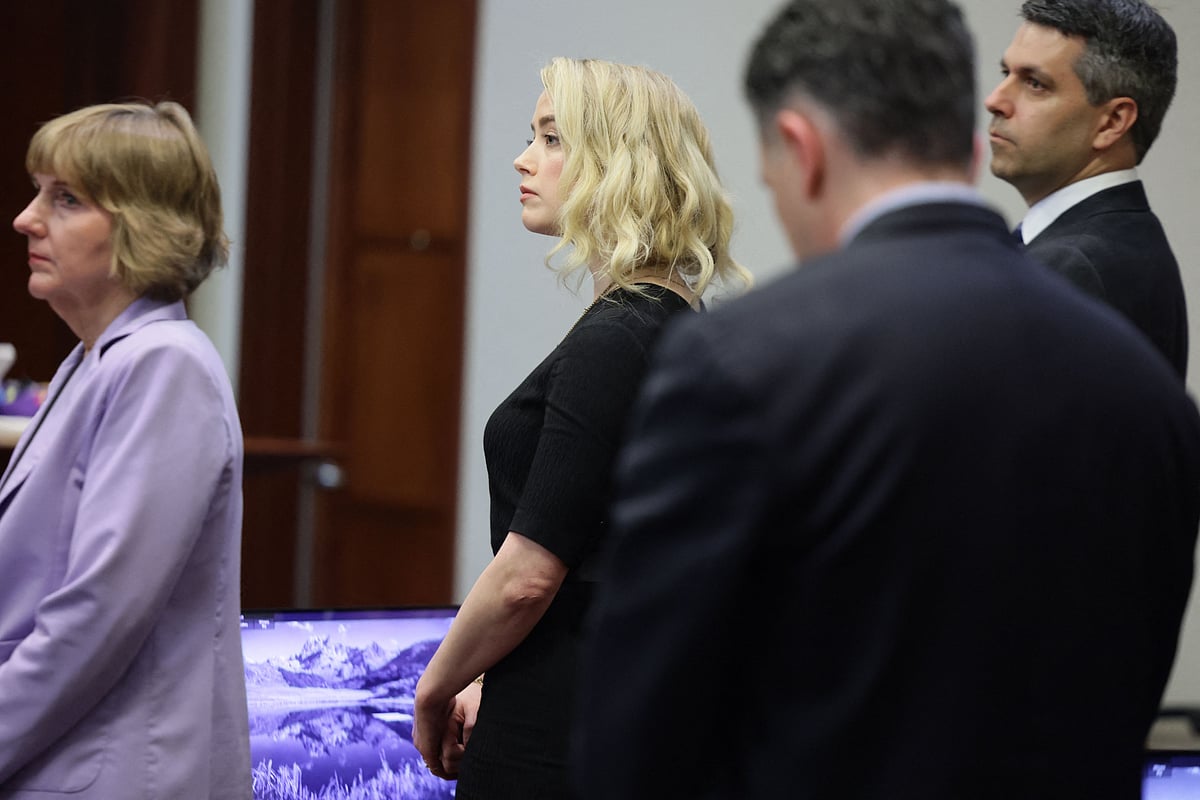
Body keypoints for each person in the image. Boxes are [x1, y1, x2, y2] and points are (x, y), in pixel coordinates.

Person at [574, 1, 1200, 798]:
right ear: (968, 146)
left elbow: (638, 727)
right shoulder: (1148, 389)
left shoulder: (740, 357)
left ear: (800, 153)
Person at [413, 57, 749, 798]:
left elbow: (530, 577)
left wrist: (437, 684)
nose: (522, 159)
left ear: (618, 162)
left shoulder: (619, 335)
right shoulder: (672, 319)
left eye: (551, 138)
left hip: (559, 731)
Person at [0, 102, 250, 798]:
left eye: (66, 199)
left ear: (143, 224)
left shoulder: (162, 364)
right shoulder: (97, 360)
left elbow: (98, 614)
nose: (27, 218)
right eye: (38, 191)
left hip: (116, 770)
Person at [986, 0, 1187, 377]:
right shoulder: (1120, 243)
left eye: (1035, 83)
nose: (995, 99)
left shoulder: (1071, 270)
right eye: (1005, 73)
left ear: (1112, 121)